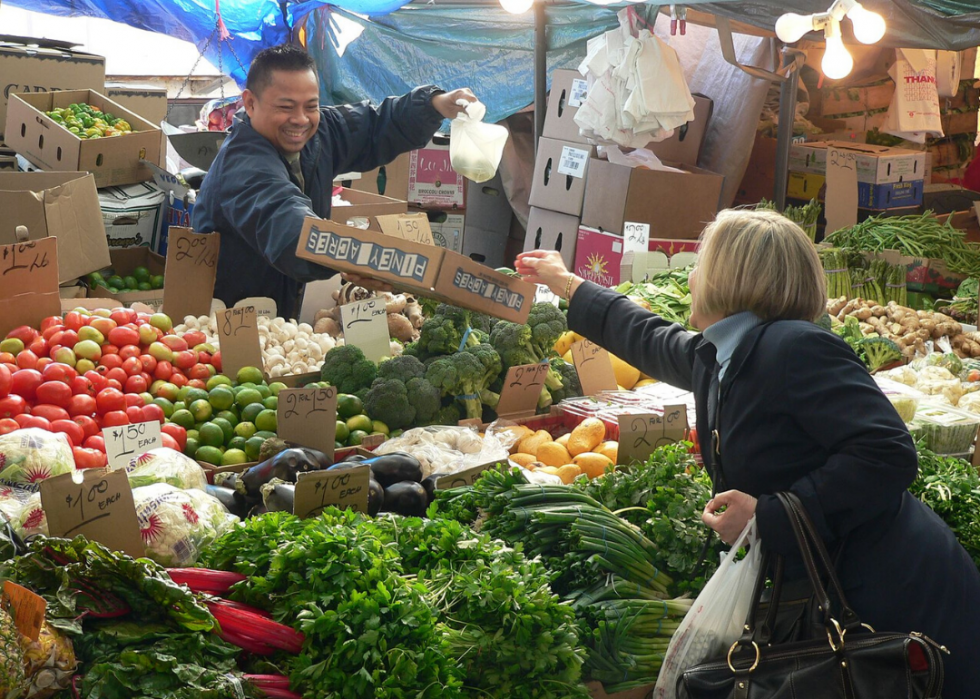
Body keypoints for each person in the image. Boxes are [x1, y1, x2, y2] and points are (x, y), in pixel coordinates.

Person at [516, 209, 980, 696]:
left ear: (730, 279)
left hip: (896, 595)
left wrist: (770, 515)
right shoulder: (724, 353)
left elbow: (886, 451)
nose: (693, 276)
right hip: (844, 589)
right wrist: (569, 284)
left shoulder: (795, 347)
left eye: (701, 264)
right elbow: (653, 339)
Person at [192, 43, 477, 319]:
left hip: (282, 311)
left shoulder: (318, 133)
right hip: (232, 319)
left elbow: (376, 125)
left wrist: (434, 104)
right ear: (250, 103)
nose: (301, 119)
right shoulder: (243, 165)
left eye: (311, 105)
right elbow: (288, 226)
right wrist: (359, 257)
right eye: (286, 107)